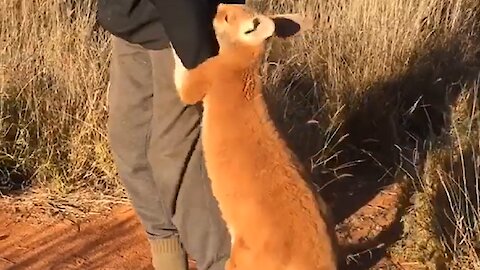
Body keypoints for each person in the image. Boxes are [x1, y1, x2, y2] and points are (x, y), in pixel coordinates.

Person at [96, 1, 244, 269]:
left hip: (184, 27)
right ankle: (168, 255)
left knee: (176, 156)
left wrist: (200, 59)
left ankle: (221, 261)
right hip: (134, 20)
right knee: (130, 145)